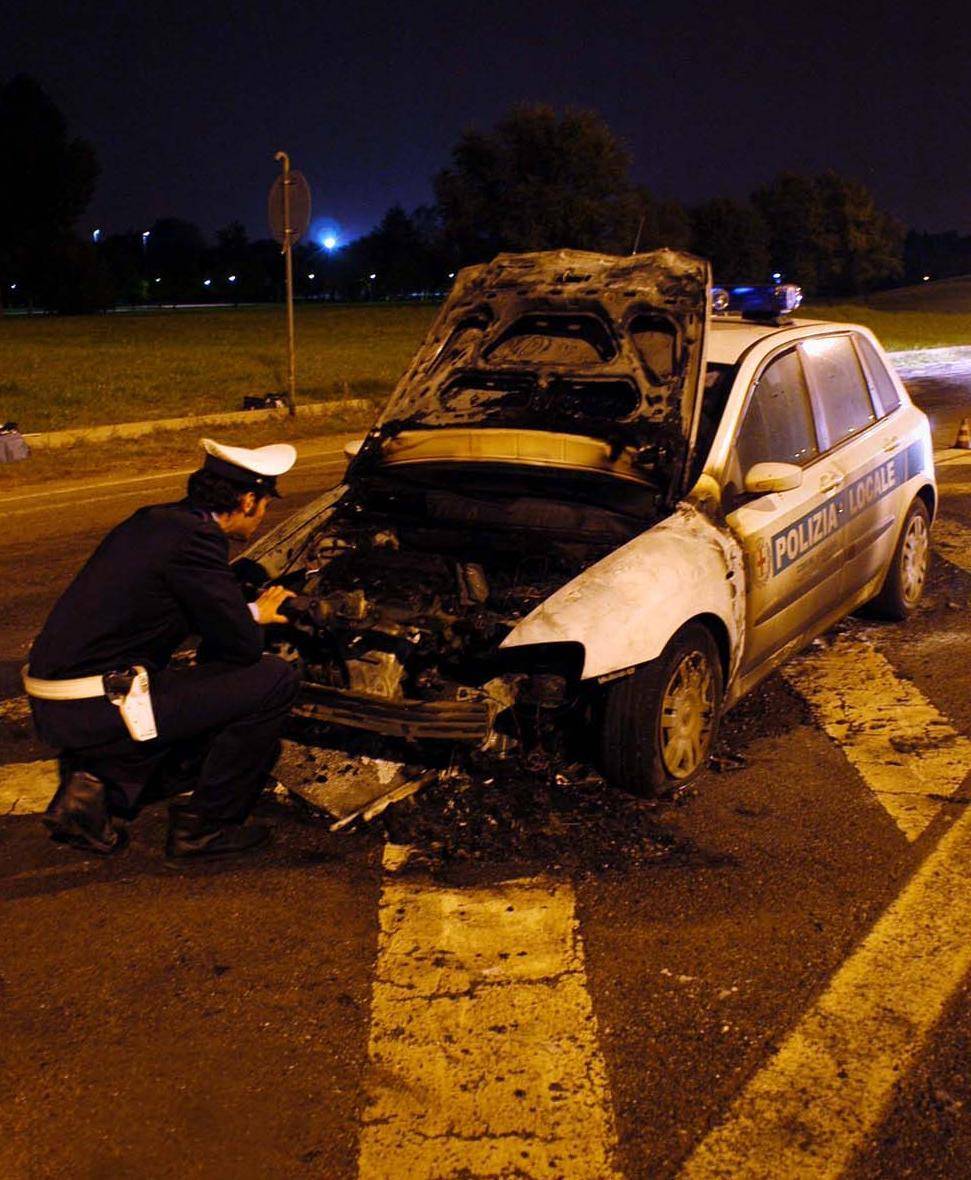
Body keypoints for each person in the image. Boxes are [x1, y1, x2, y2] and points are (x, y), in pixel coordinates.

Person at [24, 437, 301, 863]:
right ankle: (206, 826)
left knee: (190, 681)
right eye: (265, 504)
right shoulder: (198, 541)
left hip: (55, 693)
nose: (263, 517)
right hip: (95, 702)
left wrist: (239, 610)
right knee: (273, 678)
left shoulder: (157, 521)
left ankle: (88, 795)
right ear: (248, 500)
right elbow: (241, 646)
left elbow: (167, 605)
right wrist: (258, 616)